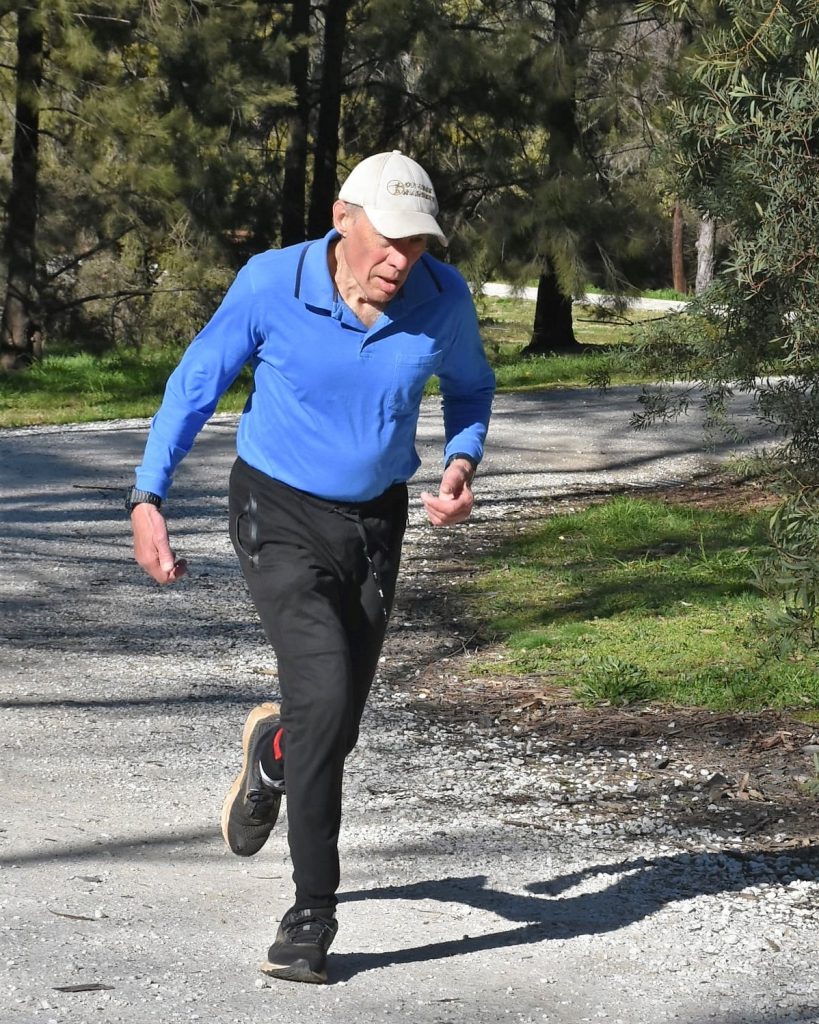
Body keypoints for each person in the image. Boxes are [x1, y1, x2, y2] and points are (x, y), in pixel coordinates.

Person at [127, 150, 495, 984]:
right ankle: (310, 914)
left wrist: (460, 463)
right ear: (343, 219)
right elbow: (195, 384)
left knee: (335, 724)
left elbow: (471, 389)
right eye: (390, 240)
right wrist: (147, 495)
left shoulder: (443, 299)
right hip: (275, 511)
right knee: (324, 693)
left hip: (374, 523)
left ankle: (275, 752)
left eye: (420, 244)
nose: (402, 259)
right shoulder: (270, 283)